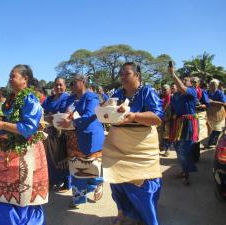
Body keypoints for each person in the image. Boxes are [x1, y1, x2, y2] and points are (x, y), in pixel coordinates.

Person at [0, 64, 48, 225]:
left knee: (22, 195)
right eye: (9, 76)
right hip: (9, 152)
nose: (9, 79)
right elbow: (5, 121)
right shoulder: (10, 100)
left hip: (25, 153)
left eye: (13, 76)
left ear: (25, 79)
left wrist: (2, 125)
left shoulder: (30, 99)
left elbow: (28, 129)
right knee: (2, 194)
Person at [102, 62, 163, 225]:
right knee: (117, 181)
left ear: (137, 75)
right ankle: (123, 212)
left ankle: (147, 219)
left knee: (142, 185)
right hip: (118, 144)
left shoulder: (147, 91)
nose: (122, 76)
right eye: (121, 73)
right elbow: (109, 114)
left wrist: (134, 116)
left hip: (141, 146)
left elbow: (157, 117)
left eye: (126, 73)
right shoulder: (117, 93)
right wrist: (106, 110)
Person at [58, 74, 105, 208]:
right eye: (70, 83)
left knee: (90, 166)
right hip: (73, 138)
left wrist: (72, 121)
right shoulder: (70, 98)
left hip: (89, 137)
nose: (71, 85)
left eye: (74, 82)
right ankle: (78, 197)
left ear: (83, 82)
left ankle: (97, 184)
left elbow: (90, 115)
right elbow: (63, 112)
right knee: (76, 168)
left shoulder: (91, 97)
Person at [169, 67, 198, 185]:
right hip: (178, 124)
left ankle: (187, 172)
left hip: (188, 124)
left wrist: (172, 74)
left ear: (190, 83)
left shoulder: (192, 91)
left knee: (184, 148)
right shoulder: (175, 95)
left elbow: (181, 87)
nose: (183, 81)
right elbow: (172, 108)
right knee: (177, 146)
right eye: (183, 79)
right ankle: (185, 170)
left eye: (186, 80)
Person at [42, 77, 71, 192]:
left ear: (65, 86)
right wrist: (47, 115)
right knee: (50, 157)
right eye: (56, 85)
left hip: (62, 132)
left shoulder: (67, 98)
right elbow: (42, 110)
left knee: (63, 156)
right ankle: (52, 181)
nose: (58, 87)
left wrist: (52, 115)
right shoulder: (49, 99)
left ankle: (66, 183)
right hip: (49, 131)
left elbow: (66, 112)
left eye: (61, 85)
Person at [191, 77, 209, 162]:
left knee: (196, 135)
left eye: (194, 82)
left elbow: (206, 104)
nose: (193, 83)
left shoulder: (202, 91)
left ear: (198, 83)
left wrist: (201, 106)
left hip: (199, 114)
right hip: (190, 114)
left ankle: (195, 157)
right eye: (191, 82)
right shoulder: (188, 91)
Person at [206, 79, 226, 148]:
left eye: (214, 84)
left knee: (218, 129)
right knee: (212, 129)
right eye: (211, 84)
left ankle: (213, 143)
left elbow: (224, 103)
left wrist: (213, 102)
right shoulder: (207, 92)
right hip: (210, 114)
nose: (212, 86)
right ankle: (211, 143)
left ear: (217, 86)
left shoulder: (220, 93)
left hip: (219, 114)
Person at [159, 84, 172, 156]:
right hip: (162, 119)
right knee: (161, 133)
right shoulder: (161, 98)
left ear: (169, 90)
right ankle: (162, 147)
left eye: (165, 89)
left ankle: (167, 149)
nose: (163, 91)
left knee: (167, 135)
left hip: (169, 119)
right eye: (163, 89)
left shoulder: (172, 98)